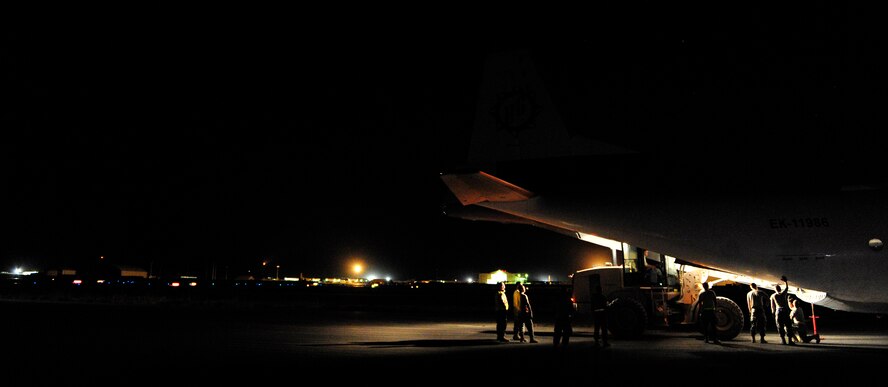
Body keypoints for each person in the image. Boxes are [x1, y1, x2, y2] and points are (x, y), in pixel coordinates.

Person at [770, 276, 795, 345]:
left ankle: (783, 340)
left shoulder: (773, 296)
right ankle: (790, 340)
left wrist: (773, 313)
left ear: (775, 289)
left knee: (780, 325)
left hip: (778, 311)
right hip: (785, 310)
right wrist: (785, 282)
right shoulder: (783, 294)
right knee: (788, 325)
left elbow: (772, 306)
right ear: (780, 289)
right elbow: (787, 288)